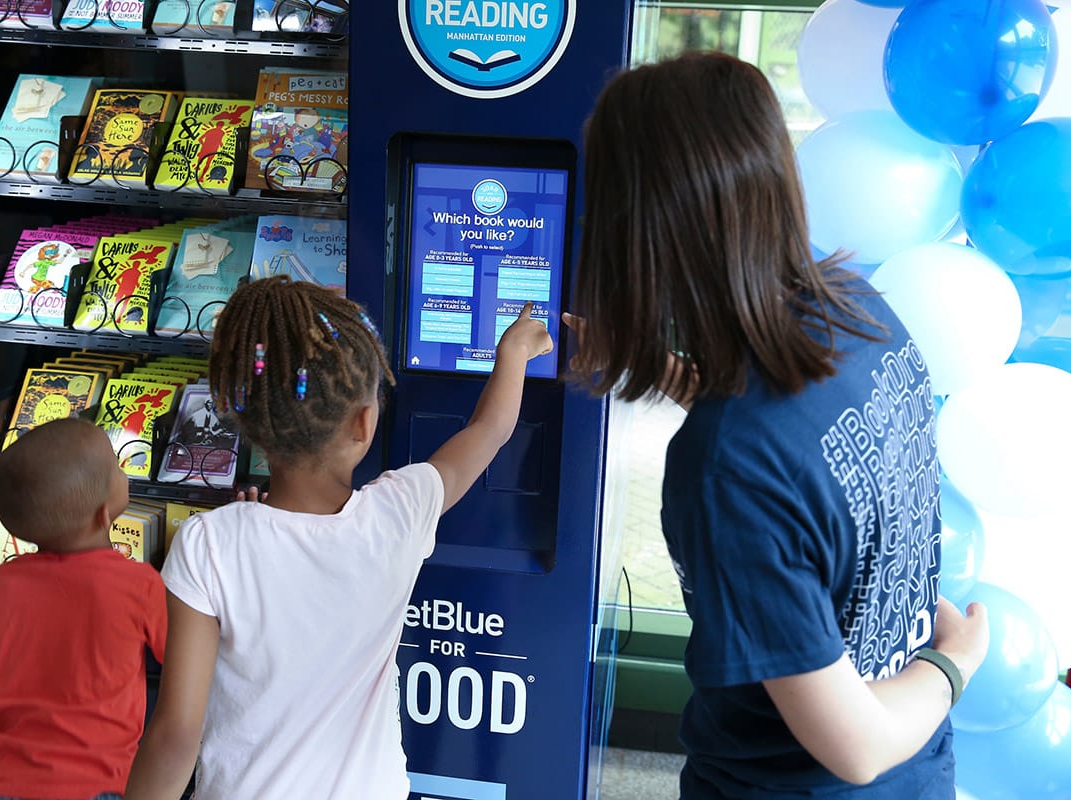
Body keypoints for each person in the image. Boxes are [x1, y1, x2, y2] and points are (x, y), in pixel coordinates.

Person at [565, 52, 991, 798]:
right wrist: (661, 369)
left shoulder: (726, 464)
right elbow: (803, 449)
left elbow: (855, 747)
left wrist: (956, 660)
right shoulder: (858, 311)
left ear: (637, 228)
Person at [123, 276, 552, 800]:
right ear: (364, 422)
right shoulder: (403, 509)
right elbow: (489, 430)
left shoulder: (208, 543)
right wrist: (513, 353)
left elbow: (176, 737)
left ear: (245, 421)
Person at [0, 416, 167, 800]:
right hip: (97, 787)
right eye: (116, 466)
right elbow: (192, 661)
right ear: (104, 514)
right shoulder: (141, 586)